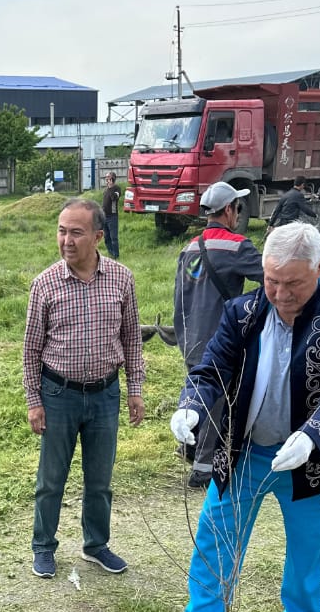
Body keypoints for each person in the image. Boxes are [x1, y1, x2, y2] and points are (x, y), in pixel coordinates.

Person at [158, 223, 320, 612]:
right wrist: (192, 406)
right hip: (245, 451)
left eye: (292, 282)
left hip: (312, 459)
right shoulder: (243, 312)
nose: (280, 292)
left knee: (309, 545)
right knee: (216, 535)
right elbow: (209, 368)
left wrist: (313, 436)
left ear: (319, 268)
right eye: (272, 280)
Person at [23, 199, 145, 579]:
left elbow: (131, 340)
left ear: (98, 236)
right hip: (59, 394)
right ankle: (44, 547)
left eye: (76, 232)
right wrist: (34, 401)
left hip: (106, 395)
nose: (66, 240)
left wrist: (135, 389)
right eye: (62, 231)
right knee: (51, 480)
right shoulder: (45, 284)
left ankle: (96, 545)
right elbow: (30, 349)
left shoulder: (122, 279)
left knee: (100, 480)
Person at [174, 181, 263, 487]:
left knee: (197, 393)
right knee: (217, 401)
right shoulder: (238, 246)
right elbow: (274, 280)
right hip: (221, 339)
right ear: (228, 210)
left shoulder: (188, 249)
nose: (238, 214)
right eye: (238, 208)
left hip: (190, 336)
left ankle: (188, 446)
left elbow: (179, 296)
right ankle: (203, 467)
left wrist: (181, 335)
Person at [102, 171, 121, 260]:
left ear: (112, 179)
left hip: (112, 216)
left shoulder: (117, 188)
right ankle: (111, 253)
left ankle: (116, 255)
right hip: (104, 216)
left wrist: (110, 187)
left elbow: (114, 198)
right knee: (106, 237)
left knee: (114, 237)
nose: (107, 180)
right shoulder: (105, 190)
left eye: (108, 178)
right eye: (106, 178)